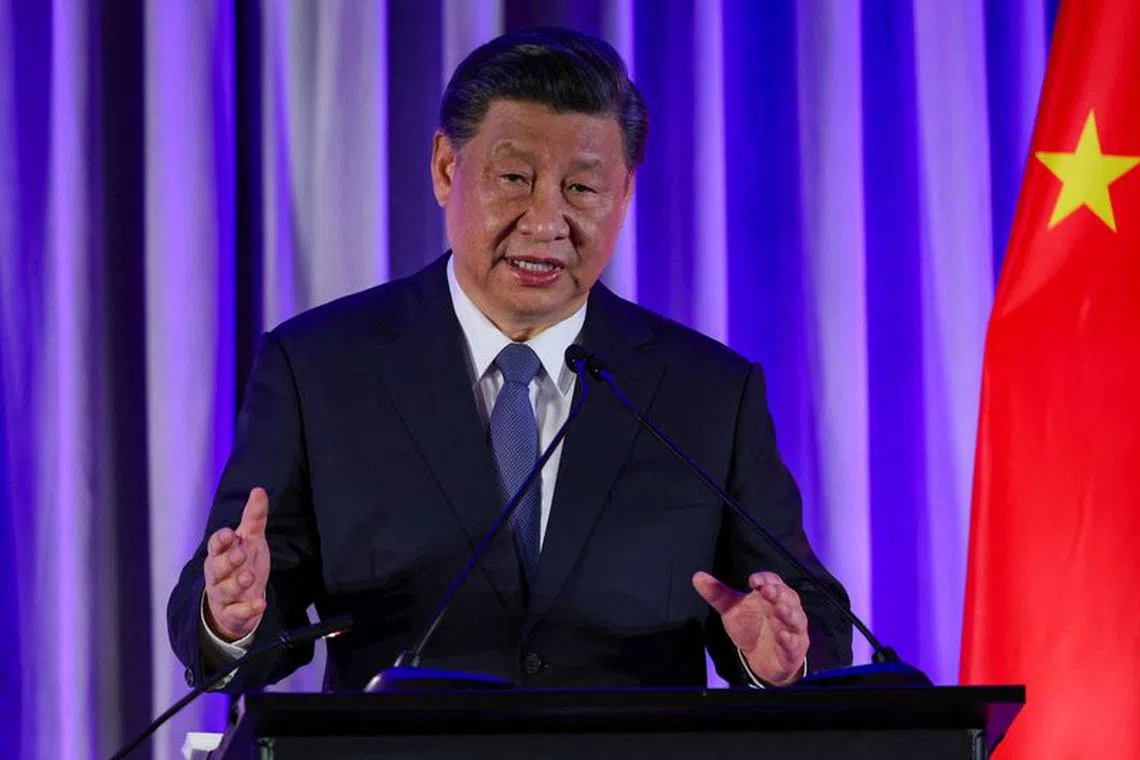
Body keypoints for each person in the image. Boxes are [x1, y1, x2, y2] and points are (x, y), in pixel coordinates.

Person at [167, 27, 852, 693]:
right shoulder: (319, 367)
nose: (545, 220)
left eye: (581, 189)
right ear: (445, 168)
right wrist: (230, 617)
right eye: (515, 177)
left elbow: (809, 619)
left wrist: (779, 661)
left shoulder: (708, 392)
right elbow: (239, 638)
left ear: (625, 194)